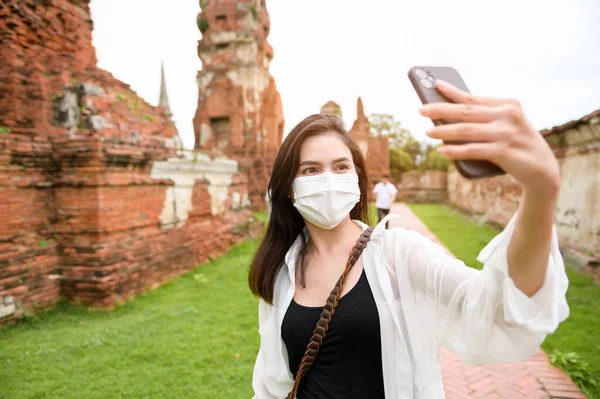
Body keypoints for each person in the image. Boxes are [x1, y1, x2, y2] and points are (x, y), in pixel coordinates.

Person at [248, 80, 569, 399]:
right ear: (290, 188)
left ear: (357, 179)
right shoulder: (282, 268)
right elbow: (272, 379)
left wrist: (541, 192)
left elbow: (497, 310)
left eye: (341, 166)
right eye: (311, 170)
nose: (329, 179)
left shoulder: (399, 254)